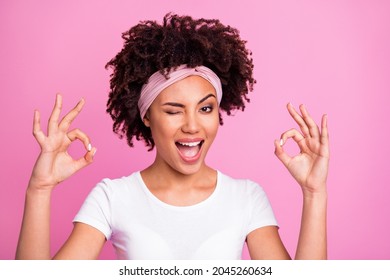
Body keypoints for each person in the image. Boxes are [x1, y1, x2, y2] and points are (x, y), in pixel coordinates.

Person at [16, 13, 329, 260]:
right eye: (174, 110)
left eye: (205, 109)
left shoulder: (246, 198)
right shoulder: (113, 198)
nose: (192, 126)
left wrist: (314, 193)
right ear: (147, 116)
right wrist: (39, 190)